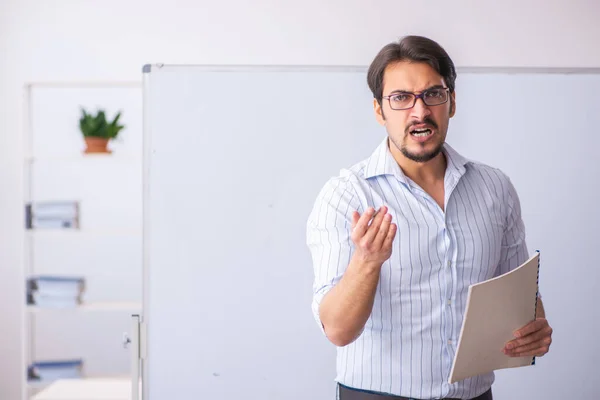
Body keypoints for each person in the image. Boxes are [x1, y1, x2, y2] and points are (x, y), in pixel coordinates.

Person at [306, 35, 553, 400]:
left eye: (432, 94)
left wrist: (535, 330)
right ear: (379, 110)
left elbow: (523, 300)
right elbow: (338, 331)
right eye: (401, 98)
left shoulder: (495, 188)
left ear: (451, 103)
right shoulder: (347, 196)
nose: (419, 112)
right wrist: (367, 262)